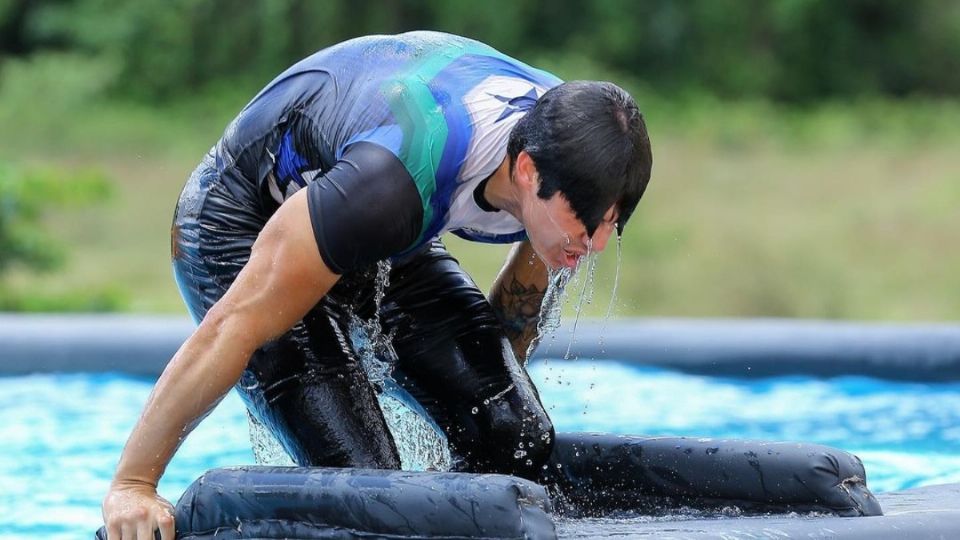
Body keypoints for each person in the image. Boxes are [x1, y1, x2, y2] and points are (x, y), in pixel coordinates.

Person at [102, 31, 652, 540]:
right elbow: (236, 322)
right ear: (528, 172)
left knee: (515, 434)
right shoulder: (392, 184)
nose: (596, 245)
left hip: (384, 226)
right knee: (369, 483)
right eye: (586, 224)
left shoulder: (572, 149)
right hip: (241, 223)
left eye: (612, 225)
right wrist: (134, 486)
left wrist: (473, 428)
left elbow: (508, 331)